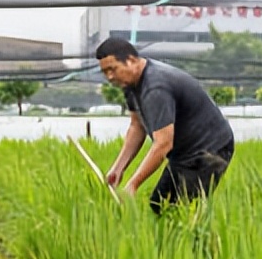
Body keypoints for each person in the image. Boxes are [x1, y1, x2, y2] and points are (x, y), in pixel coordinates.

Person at [96, 37, 236, 215]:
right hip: (183, 152)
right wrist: (118, 169)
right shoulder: (130, 84)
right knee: (159, 206)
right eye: (105, 72)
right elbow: (137, 126)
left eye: (112, 69)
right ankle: (167, 242)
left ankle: (201, 242)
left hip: (210, 149)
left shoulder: (156, 87)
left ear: (131, 60)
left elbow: (163, 143)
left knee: (183, 213)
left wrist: (133, 185)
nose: (109, 77)